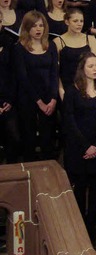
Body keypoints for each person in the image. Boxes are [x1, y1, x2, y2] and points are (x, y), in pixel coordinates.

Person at [63, 52, 96, 241]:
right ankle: (79, 224)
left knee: (95, 187)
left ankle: (91, 224)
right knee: (80, 187)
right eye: (91, 66)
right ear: (82, 68)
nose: (95, 69)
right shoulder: (72, 90)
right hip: (79, 148)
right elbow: (70, 121)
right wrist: (86, 146)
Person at [14, 11, 58, 161]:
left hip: (48, 97)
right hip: (29, 98)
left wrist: (53, 99)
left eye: (41, 25)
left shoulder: (50, 45)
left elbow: (54, 73)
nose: (38, 29)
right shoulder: (19, 48)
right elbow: (23, 78)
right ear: (26, 28)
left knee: (48, 138)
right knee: (29, 138)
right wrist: (38, 102)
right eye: (34, 26)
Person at [53, 8, 96, 100]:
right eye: (75, 21)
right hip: (67, 87)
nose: (79, 24)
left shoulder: (91, 39)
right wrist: (61, 91)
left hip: (87, 87)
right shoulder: (58, 42)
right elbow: (56, 71)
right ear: (67, 22)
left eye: (81, 21)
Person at [0, 12, 20, 163]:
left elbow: (15, 73)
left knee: (13, 137)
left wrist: (10, 99)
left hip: (8, 98)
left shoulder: (10, 42)